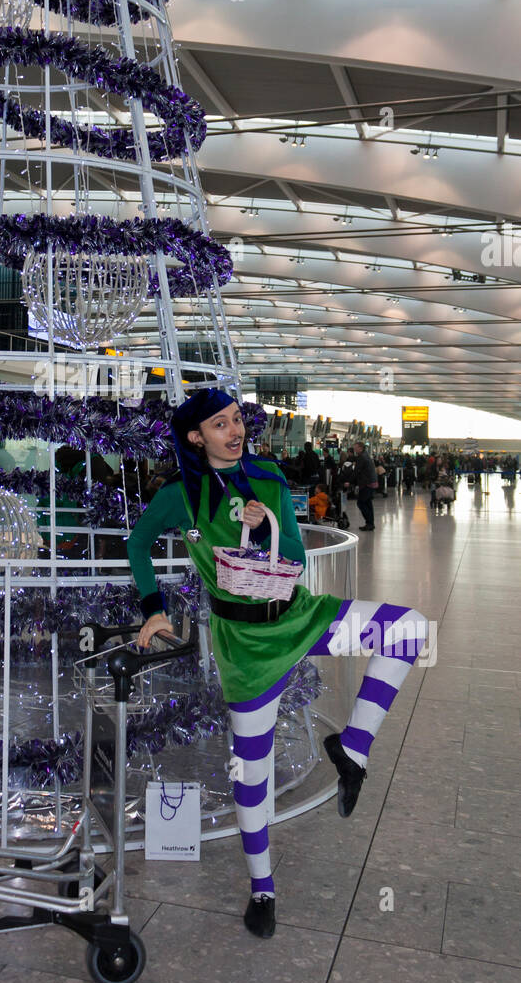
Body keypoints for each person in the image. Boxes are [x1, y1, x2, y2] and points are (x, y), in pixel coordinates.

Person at [126, 388, 429, 940]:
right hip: (243, 646)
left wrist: (266, 526)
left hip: (298, 614)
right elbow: (139, 542)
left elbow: (294, 555)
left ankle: (353, 747)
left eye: (237, 419)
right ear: (197, 437)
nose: (234, 430)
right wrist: (154, 610)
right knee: (251, 769)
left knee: (408, 629)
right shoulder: (180, 495)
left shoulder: (266, 475)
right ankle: (262, 888)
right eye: (220, 424)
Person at [352, 440, 378, 531]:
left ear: (360, 448)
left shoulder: (362, 457)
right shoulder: (365, 455)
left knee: (361, 503)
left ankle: (369, 522)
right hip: (371, 482)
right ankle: (370, 523)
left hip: (366, 484)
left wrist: (349, 481)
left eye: (356, 448)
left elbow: (356, 471)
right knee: (368, 503)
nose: (354, 449)